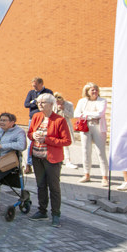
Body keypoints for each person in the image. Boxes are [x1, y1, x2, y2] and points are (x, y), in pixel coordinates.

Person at [28, 93, 72, 227]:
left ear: (51, 104)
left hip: (52, 158)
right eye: (38, 102)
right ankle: (42, 211)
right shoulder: (36, 116)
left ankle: (56, 214)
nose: (39, 104)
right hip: (37, 156)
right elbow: (29, 133)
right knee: (41, 185)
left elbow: (67, 141)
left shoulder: (59, 120)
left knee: (54, 187)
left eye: (43, 102)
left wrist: (46, 139)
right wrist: (33, 135)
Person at [74, 82, 109, 187]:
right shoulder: (82, 101)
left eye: (96, 90)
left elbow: (100, 114)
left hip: (98, 127)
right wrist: (90, 116)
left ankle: (104, 177)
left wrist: (85, 115)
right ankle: (87, 174)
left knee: (101, 152)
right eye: (92, 90)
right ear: (87, 91)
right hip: (85, 127)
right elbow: (76, 114)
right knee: (85, 151)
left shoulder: (102, 101)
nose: (94, 92)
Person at [23, 77, 53, 173]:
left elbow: (51, 104)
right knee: (32, 140)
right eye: (33, 86)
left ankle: (46, 163)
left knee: (44, 140)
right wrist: (35, 103)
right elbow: (26, 104)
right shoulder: (31, 93)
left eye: (35, 85)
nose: (34, 87)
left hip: (45, 118)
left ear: (41, 84)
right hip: (33, 119)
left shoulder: (48, 92)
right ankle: (29, 163)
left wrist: (34, 103)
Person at [53, 92, 78, 169]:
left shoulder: (69, 104)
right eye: (56, 102)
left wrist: (64, 110)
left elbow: (71, 116)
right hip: (56, 125)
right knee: (56, 142)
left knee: (65, 143)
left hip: (66, 124)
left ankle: (68, 160)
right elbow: (52, 114)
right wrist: (57, 109)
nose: (58, 103)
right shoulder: (53, 105)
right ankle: (57, 159)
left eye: (59, 101)